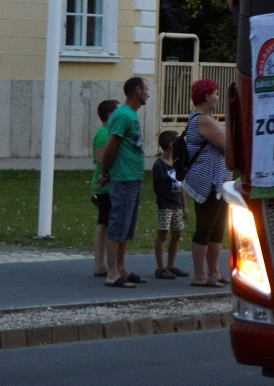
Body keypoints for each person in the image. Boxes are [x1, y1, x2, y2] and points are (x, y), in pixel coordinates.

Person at [98, 76, 149, 288]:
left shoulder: (131, 115)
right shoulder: (123, 115)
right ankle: (112, 273)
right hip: (123, 178)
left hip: (133, 178)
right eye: (146, 89)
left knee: (126, 228)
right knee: (117, 224)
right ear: (137, 90)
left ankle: (121, 268)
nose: (148, 93)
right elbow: (110, 147)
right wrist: (105, 172)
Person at [181, 77, 230, 287]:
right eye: (216, 93)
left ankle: (214, 272)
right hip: (207, 183)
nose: (218, 98)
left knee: (217, 229)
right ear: (208, 96)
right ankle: (200, 275)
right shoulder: (202, 120)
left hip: (219, 182)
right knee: (206, 227)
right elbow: (228, 146)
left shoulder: (208, 119)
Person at [151, 129, 189, 279]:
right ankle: (160, 268)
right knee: (163, 234)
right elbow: (159, 187)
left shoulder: (177, 163)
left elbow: (181, 186)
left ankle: (171, 265)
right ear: (172, 145)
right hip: (165, 205)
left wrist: (184, 206)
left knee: (177, 234)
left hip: (177, 205)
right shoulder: (159, 165)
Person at [89, 99, 119, 277]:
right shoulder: (103, 133)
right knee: (107, 223)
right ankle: (102, 264)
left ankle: (101, 264)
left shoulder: (109, 132)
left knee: (104, 222)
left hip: (107, 184)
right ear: (109, 115)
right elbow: (102, 159)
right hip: (105, 186)